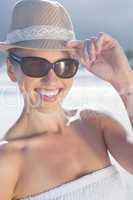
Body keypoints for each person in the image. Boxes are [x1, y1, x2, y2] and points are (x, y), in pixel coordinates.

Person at [0, 0, 133, 200]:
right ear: (11, 70)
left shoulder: (96, 124)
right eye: (36, 65)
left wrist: (125, 82)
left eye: (64, 65)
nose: (51, 80)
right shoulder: (7, 161)